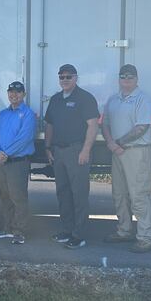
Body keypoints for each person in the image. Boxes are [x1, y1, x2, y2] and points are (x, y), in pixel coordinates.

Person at [101, 64, 151, 253]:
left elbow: (142, 127)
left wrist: (118, 143)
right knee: (119, 194)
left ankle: (146, 237)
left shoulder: (142, 99)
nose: (126, 80)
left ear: (136, 79)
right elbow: (105, 124)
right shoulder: (113, 100)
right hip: (117, 151)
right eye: (123, 77)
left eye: (130, 77)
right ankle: (124, 230)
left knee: (138, 195)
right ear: (119, 79)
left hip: (136, 151)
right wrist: (110, 143)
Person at [44, 64, 99, 249]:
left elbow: (93, 125)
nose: (65, 80)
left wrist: (86, 150)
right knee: (63, 193)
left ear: (76, 78)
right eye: (62, 77)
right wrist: (47, 147)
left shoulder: (85, 98)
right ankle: (67, 230)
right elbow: (49, 125)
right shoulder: (55, 99)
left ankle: (79, 235)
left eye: (69, 76)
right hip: (58, 152)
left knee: (79, 194)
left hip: (77, 151)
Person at [0, 81, 36, 245]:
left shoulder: (28, 114)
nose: (13, 95)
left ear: (24, 94)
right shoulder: (3, 114)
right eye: (11, 92)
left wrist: (6, 154)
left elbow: (24, 139)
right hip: (3, 162)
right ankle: (7, 228)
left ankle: (19, 231)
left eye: (17, 92)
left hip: (17, 162)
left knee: (18, 197)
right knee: (5, 196)